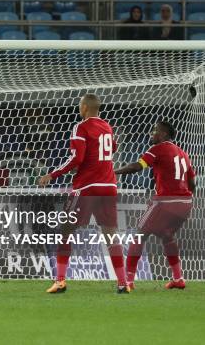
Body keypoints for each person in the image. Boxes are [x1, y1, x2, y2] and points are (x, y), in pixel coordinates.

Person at [38, 93, 129, 294]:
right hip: (108, 186)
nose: (79, 109)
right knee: (111, 235)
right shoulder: (107, 126)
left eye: (80, 106)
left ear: (85, 108)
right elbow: (113, 147)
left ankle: (60, 280)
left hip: (87, 187)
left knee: (66, 231)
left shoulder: (81, 127)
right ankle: (123, 283)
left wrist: (52, 174)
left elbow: (76, 158)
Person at [115, 121, 196, 290]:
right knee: (167, 236)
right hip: (185, 204)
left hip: (166, 201)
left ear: (164, 135)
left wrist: (113, 171)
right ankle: (178, 278)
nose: (152, 134)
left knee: (139, 235)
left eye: (155, 131)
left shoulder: (157, 149)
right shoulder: (183, 154)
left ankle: (128, 281)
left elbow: (138, 166)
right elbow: (192, 183)